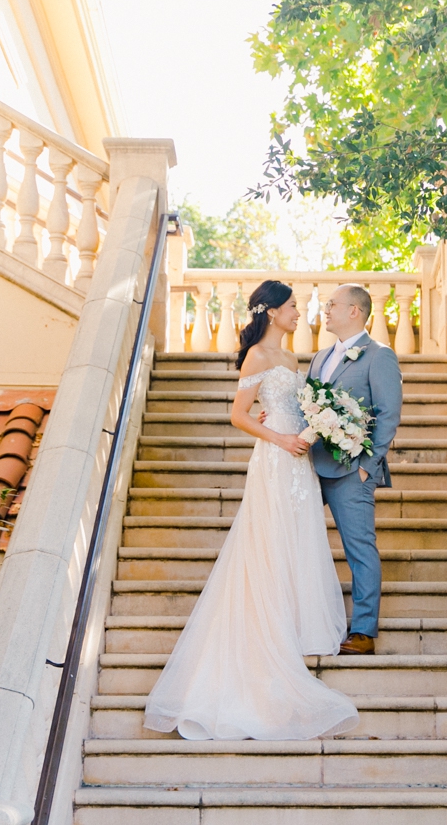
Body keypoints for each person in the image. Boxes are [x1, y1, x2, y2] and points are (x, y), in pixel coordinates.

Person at [142, 280, 358, 740]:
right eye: (294, 307)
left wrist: (319, 426)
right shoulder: (257, 356)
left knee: (298, 536)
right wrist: (279, 437)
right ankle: (268, 627)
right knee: (270, 537)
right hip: (276, 457)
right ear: (273, 310)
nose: (300, 313)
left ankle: (298, 622)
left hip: (301, 460)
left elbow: (297, 408)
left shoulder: (294, 359)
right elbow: (237, 414)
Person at [309, 283, 403, 655]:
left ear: (355, 312)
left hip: (352, 471)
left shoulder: (379, 355)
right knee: (291, 538)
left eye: (332, 304)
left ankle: (363, 631)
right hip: (310, 467)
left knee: (359, 548)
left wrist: (367, 466)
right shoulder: (319, 357)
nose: (325, 309)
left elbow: (388, 414)